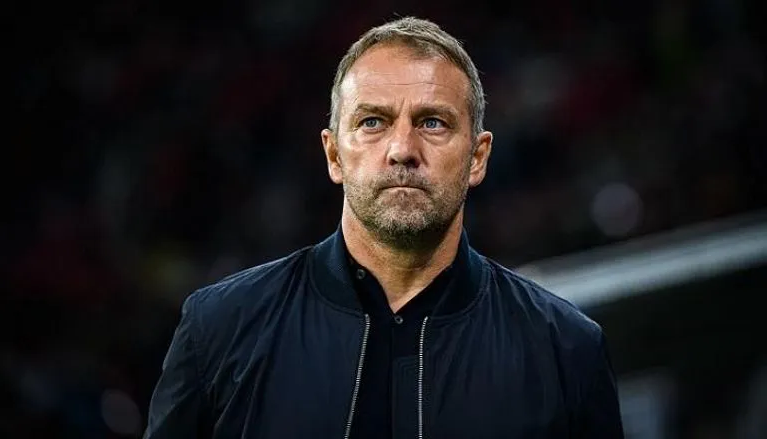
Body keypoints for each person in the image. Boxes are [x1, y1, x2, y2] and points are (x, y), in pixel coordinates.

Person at [143, 16, 625, 438]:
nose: (402, 150)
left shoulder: (566, 350)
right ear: (334, 155)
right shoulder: (218, 329)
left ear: (478, 158)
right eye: (373, 122)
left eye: (433, 123)